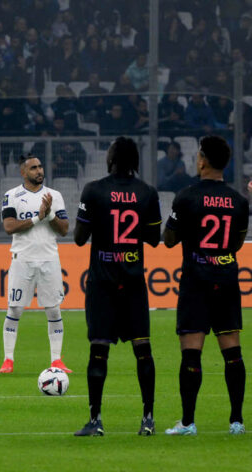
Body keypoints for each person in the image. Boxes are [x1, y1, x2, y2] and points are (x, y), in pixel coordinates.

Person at [73, 137, 161, 437]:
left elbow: (79, 237)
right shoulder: (147, 192)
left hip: (102, 281)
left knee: (99, 350)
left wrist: (100, 222)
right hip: (133, 281)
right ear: (135, 159)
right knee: (143, 350)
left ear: (110, 158)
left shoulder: (94, 190)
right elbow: (152, 238)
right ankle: (148, 419)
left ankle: (95, 421)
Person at [163, 136, 249, 436]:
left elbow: (169, 240)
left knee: (191, 352)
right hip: (226, 278)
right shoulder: (239, 201)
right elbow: (237, 243)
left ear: (202, 160)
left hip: (196, 280)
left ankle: (188, 423)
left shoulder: (187, 196)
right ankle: (236, 422)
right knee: (232, 352)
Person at [0, 155, 71, 375]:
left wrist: (49, 216)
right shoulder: (11, 196)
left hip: (49, 259)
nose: (39, 171)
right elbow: (9, 227)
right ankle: (8, 360)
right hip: (23, 259)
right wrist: (39, 218)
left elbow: (64, 229)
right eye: (33, 168)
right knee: (15, 308)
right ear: (23, 172)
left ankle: (56, 360)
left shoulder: (55, 196)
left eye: (40, 166)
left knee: (53, 308)